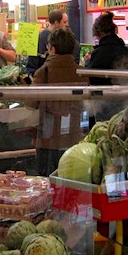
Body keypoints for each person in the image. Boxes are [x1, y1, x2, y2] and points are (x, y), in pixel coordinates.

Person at [30, 28, 88, 176]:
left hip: (48, 137)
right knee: (70, 176)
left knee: (47, 177)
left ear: (53, 48)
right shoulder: (81, 72)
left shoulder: (43, 72)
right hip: (74, 135)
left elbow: (30, 103)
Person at [25, 9, 80, 77]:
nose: (67, 25)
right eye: (65, 22)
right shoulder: (39, 40)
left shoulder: (70, 39)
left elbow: (31, 67)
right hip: (49, 81)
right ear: (56, 22)